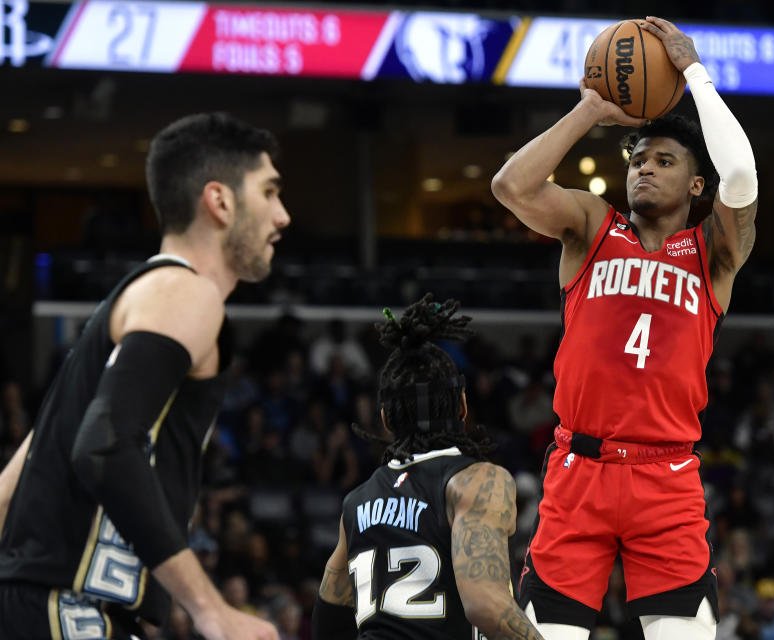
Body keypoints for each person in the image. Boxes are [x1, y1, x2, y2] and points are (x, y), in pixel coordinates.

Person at [492, 16, 758, 640]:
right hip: (576, 471)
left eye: (663, 160)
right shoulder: (591, 225)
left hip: (665, 480)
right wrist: (589, 110)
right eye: (638, 158)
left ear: (696, 184)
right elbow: (511, 186)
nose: (643, 168)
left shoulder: (712, 250)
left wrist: (692, 72)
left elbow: (741, 179)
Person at [0, 112, 290, 640]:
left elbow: (12, 484)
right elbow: (105, 446)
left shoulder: (130, 310)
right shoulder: (188, 293)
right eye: (269, 192)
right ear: (220, 201)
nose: (283, 215)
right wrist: (210, 609)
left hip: (39, 607)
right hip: (70, 609)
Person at [312, 295, 543, 640]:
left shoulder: (356, 503)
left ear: (386, 420)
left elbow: (327, 622)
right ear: (463, 405)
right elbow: (485, 605)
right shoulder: (478, 480)